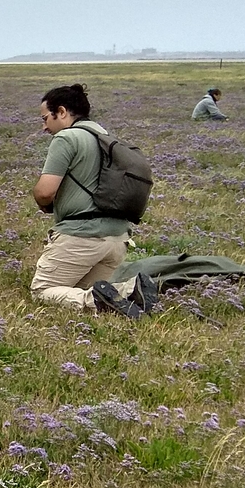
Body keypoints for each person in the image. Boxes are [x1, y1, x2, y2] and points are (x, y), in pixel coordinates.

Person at [31, 84, 158, 318]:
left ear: (61, 112)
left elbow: (45, 192)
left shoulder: (66, 138)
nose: (44, 127)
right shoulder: (105, 137)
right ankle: (129, 290)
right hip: (118, 239)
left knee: (42, 291)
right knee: (73, 290)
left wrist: (40, 198)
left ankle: (96, 300)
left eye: (45, 118)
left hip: (81, 236)